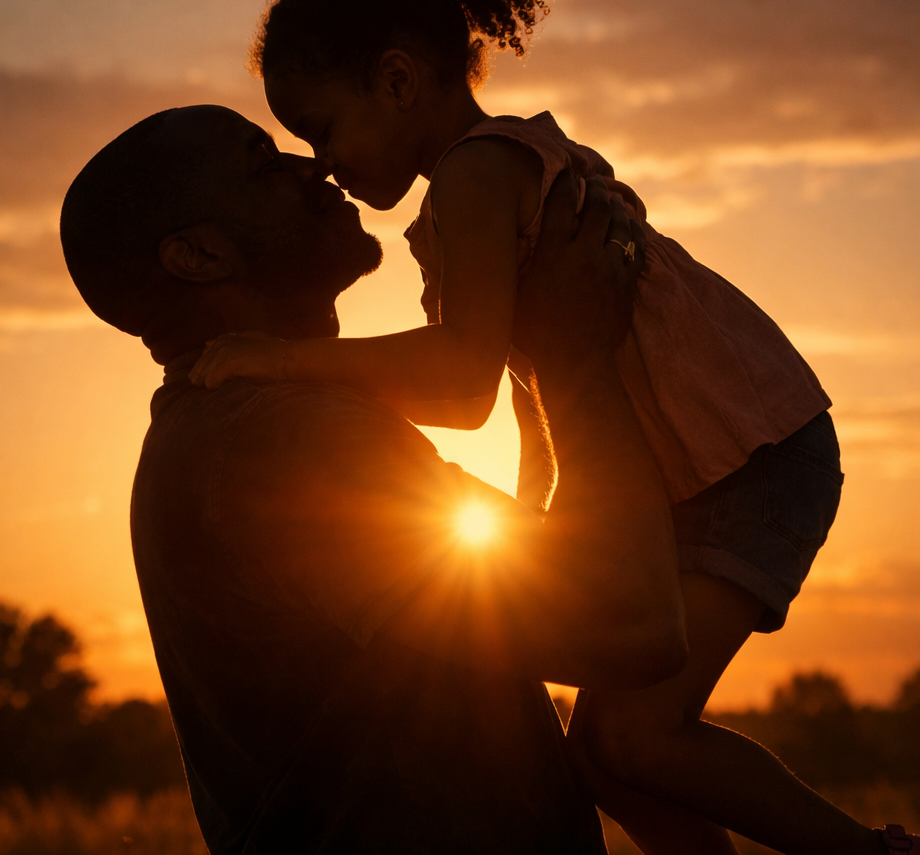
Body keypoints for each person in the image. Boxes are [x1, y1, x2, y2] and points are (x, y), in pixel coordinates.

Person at [185, 0, 920, 855]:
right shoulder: (484, 177)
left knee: (636, 732)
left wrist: (286, 362)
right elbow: (532, 386)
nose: (322, 165)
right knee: (602, 755)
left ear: (394, 80)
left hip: (744, 458)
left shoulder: (476, 175)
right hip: (718, 460)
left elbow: (463, 383)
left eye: (321, 129)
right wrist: (544, 531)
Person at [59, 103, 689, 854]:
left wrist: (538, 368)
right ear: (197, 256)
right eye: (265, 162)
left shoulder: (234, 429)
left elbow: (512, 593)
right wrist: (578, 361)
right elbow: (629, 622)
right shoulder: (278, 441)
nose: (315, 166)